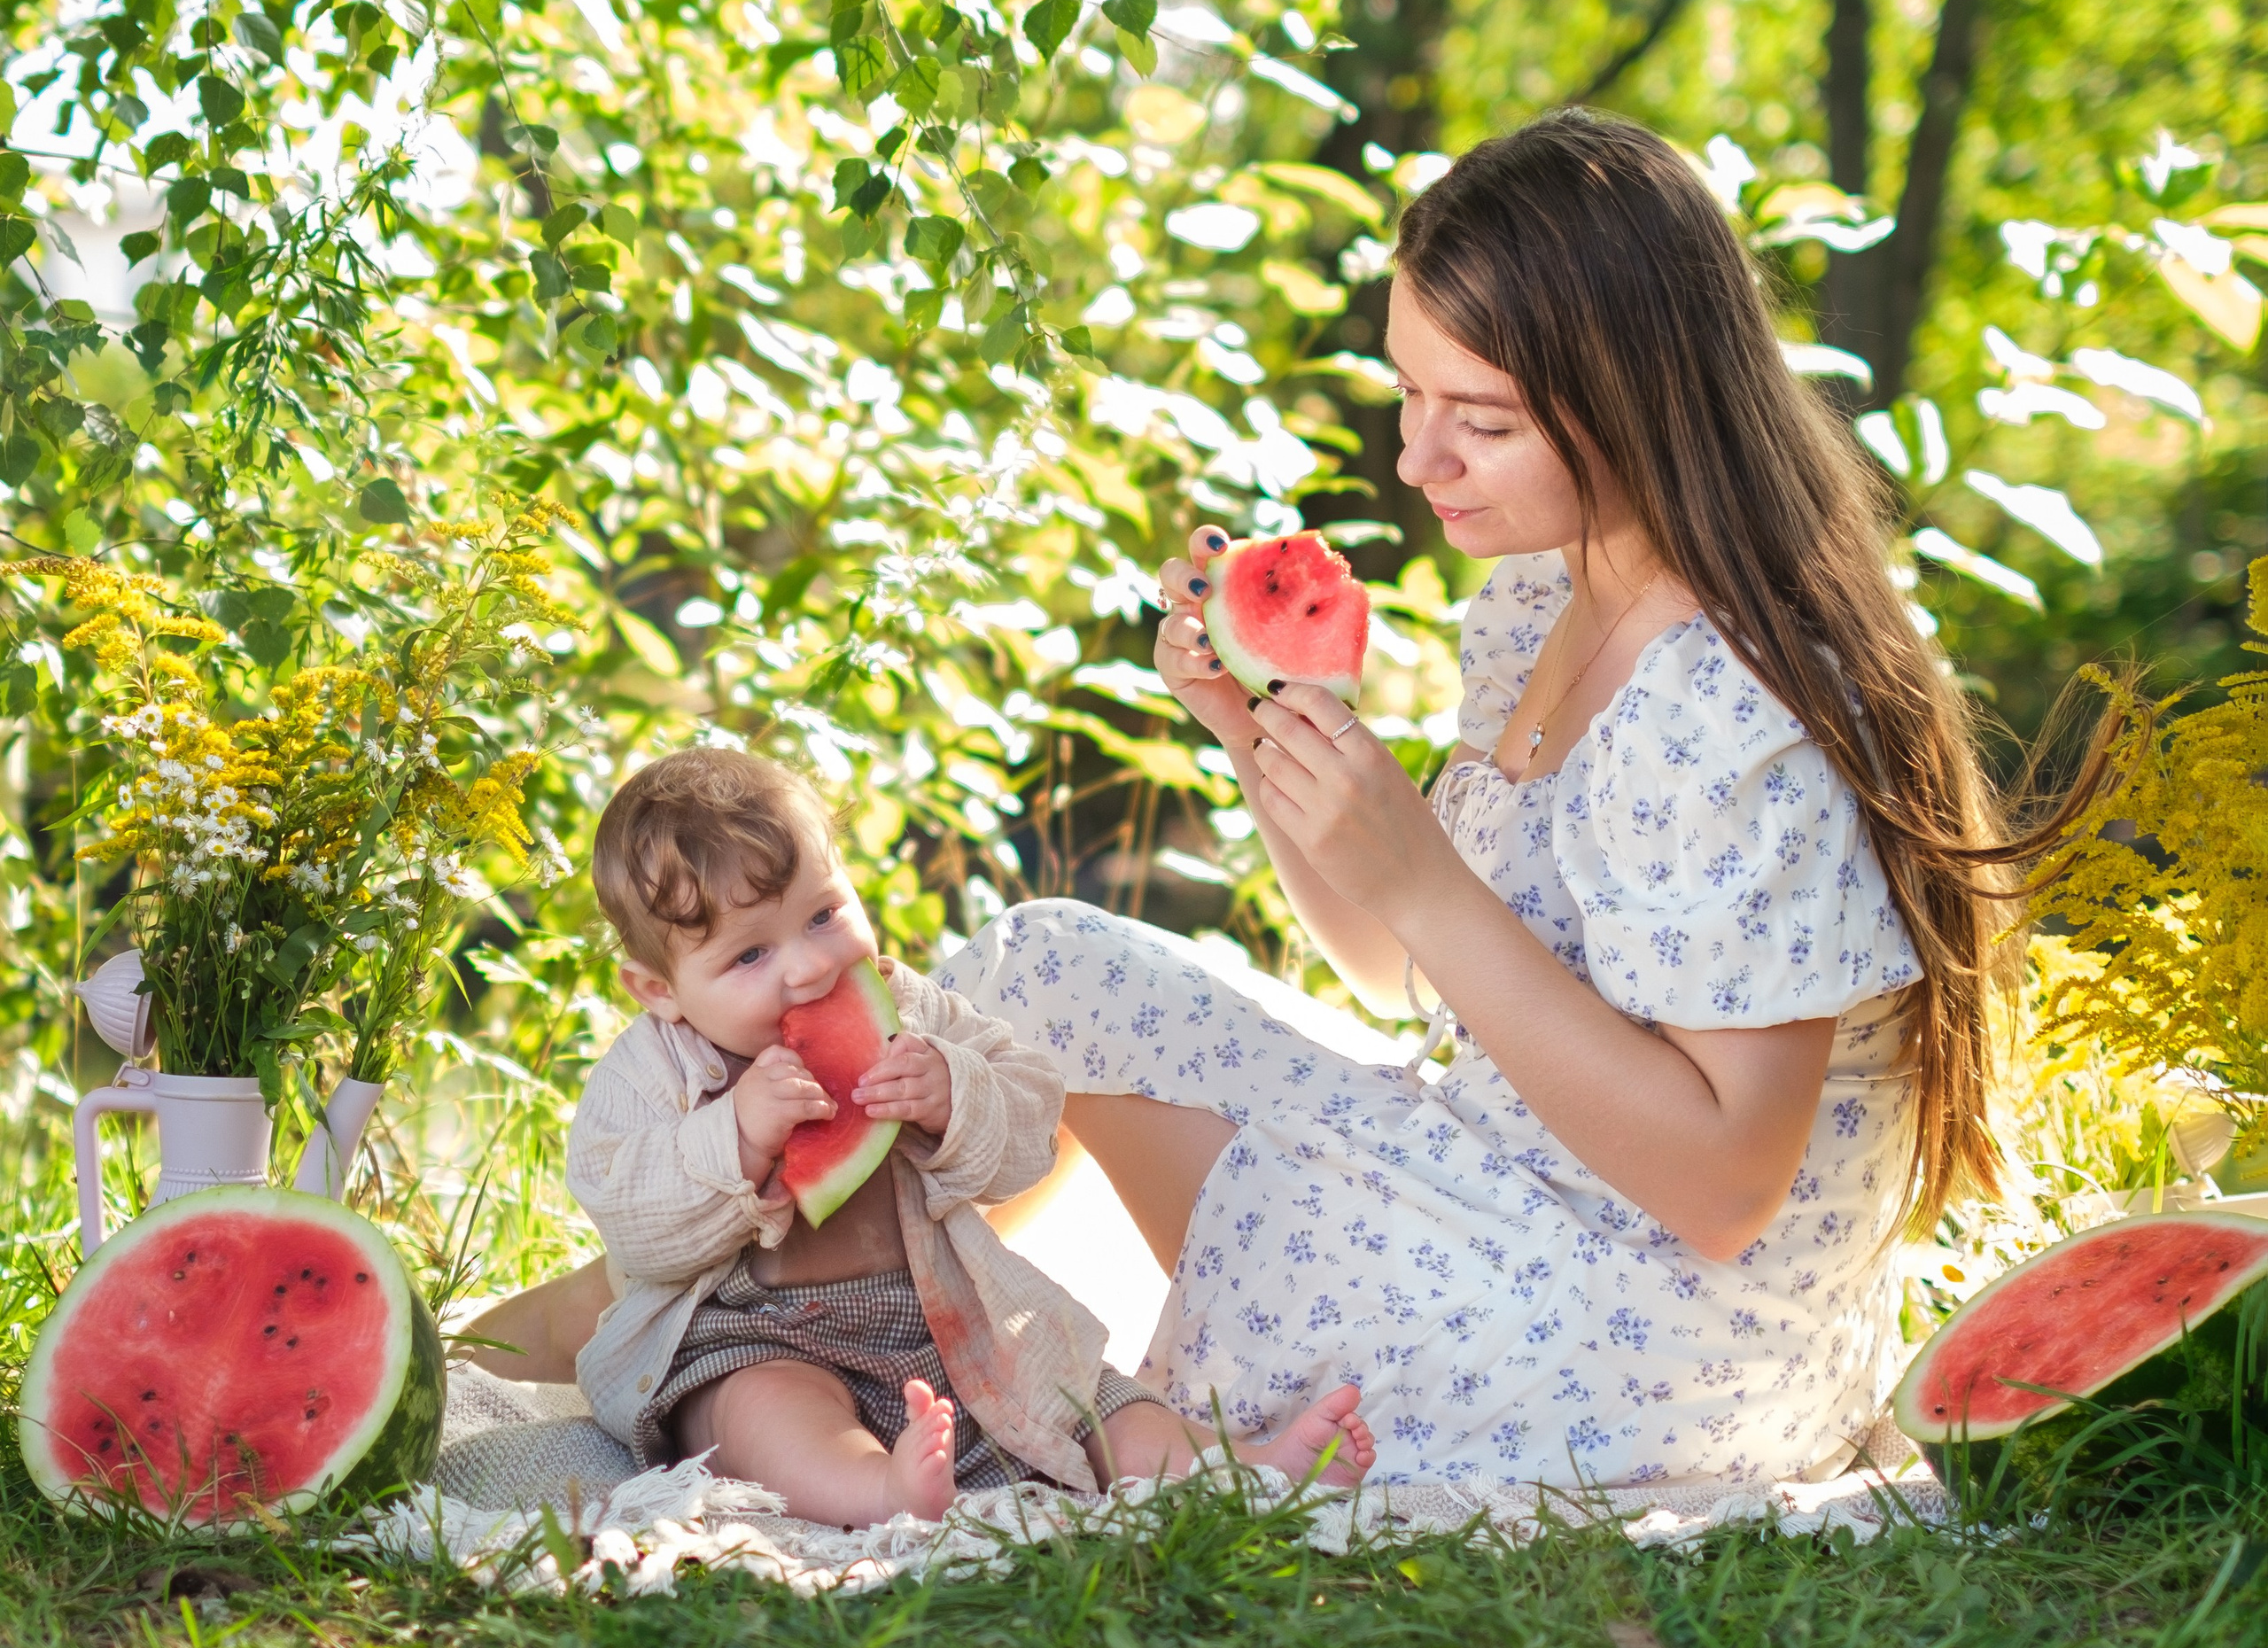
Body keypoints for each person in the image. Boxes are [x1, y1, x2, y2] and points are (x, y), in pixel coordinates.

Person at [929, 112, 2095, 1487]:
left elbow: (1727, 1186)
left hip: (1648, 1340)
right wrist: (1263, 732)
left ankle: (776, 1349)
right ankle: (777, 1318)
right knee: (1036, 971)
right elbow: (1389, 969)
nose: (1420, 462)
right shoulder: (1551, 592)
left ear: (1638, 398)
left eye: (1480, 421)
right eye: (1411, 396)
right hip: (1498, 1179)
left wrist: (1421, 872)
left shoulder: (1735, 706)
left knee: (1088, 1158)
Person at [561, 745, 1373, 1523]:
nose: (808, 968)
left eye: (824, 915)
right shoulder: (647, 1073)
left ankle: (1241, 1467)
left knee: (1092, 1400)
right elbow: (633, 1224)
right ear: (657, 989)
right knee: (757, 1411)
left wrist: (957, 1092)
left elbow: (1029, 1135)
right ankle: (877, 1490)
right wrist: (733, 1138)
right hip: (751, 1335)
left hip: (946, 1320)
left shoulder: (908, 1009)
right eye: (749, 956)